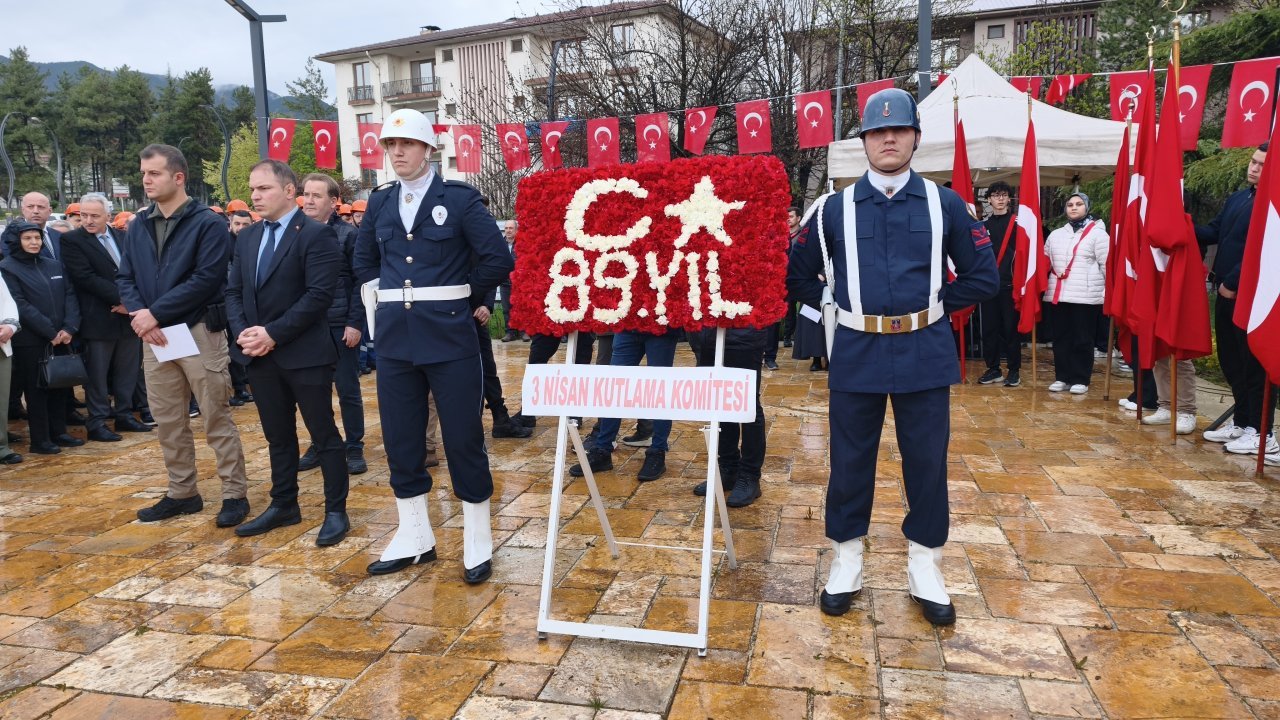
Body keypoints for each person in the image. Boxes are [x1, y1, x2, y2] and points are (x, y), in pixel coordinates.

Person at [787, 87, 998, 626]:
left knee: (926, 462)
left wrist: (934, 308)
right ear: (864, 141)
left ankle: (925, 565)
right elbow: (796, 273)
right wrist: (832, 306)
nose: (888, 138)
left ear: (914, 139)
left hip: (924, 350)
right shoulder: (831, 208)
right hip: (857, 350)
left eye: (897, 131)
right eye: (877, 132)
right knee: (850, 460)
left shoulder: (943, 202)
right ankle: (847, 561)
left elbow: (982, 275)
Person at [353, 108, 512, 582]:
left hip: (450, 337)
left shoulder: (459, 200)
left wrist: (461, 298)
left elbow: (496, 260)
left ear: (427, 150)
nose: (397, 152)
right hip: (397, 343)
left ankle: (477, 536)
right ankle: (415, 535)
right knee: (402, 440)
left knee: (462, 438)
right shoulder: (380, 203)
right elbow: (364, 262)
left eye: (406, 144)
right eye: (390, 145)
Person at [118, 144, 250, 527]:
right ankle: (182, 493)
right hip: (155, 336)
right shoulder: (138, 224)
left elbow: (206, 279)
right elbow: (125, 276)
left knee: (215, 416)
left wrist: (153, 314)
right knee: (168, 420)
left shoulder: (207, 223)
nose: (146, 180)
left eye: (154, 173)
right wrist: (145, 317)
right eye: (144, 173)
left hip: (196, 331)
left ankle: (233, 494)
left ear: (178, 177)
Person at [227, 160, 349, 546]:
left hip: (305, 354)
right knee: (277, 436)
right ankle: (284, 504)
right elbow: (233, 291)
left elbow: (318, 296)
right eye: (253, 188)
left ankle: (335, 510)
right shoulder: (247, 238)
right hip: (260, 356)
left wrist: (273, 334)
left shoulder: (315, 235)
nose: (255, 195)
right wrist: (245, 334)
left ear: (289, 191)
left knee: (323, 434)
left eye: (263, 188)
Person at [1197, 143, 1279, 456]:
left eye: (1261, 164)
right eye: (1253, 161)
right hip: (1227, 293)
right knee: (1233, 363)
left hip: (1251, 294)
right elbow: (1213, 232)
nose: (1253, 168)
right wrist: (1178, 223)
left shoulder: (1272, 204)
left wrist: (1233, 280)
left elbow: (1261, 249)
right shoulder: (1239, 197)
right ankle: (1243, 423)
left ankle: (1262, 432)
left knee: (1254, 363)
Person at [58, 193, 151, 442]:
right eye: (84, 215)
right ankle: (97, 421)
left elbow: (137, 271)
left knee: (128, 370)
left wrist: (131, 305)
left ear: (108, 216)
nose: (88, 220)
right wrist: (124, 301)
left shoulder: (122, 236)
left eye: (94, 216)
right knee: (97, 375)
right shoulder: (71, 241)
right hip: (98, 318)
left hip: (129, 319)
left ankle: (124, 414)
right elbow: (85, 278)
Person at [298, 172, 368, 475]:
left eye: (316, 195)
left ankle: (354, 446)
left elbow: (359, 283)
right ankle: (321, 442)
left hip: (340, 326)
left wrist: (354, 323)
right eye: (306, 194)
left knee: (348, 390)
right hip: (306, 328)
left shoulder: (348, 235)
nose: (309, 200)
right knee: (314, 392)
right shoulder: (296, 233)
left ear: (333, 201)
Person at [0, 220, 83, 455]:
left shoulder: (54, 265)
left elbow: (70, 295)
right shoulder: (8, 267)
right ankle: (40, 439)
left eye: (37, 238)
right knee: (36, 390)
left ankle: (59, 432)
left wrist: (69, 328)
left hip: (62, 336)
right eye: (28, 238)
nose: (34, 242)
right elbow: (20, 305)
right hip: (31, 340)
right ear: (16, 241)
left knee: (59, 385)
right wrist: (50, 332)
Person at [569, 328, 674, 482]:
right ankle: (602, 449)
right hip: (627, 325)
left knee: (659, 387)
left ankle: (657, 451)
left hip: (662, 325)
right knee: (614, 386)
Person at [688, 326, 766, 507]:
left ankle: (750, 476)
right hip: (706, 335)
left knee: (748, 405)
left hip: (744, 334)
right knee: (720, 402)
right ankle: (728, 468)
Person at [1042, 192, 1108, 395]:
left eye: (1079, 204)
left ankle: (1080, 378)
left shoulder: (1098, 234)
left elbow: (1106, 265)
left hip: (1085, 296)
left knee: (1082, 338)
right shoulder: (1055, 235)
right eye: (1070, 204)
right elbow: (1046, 261)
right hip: (1059, 295)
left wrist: (1107, 293)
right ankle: (1062, 377)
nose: (1074, 207)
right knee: (1061, 338)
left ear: (1087, 207)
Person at [977, 181, 1021, 387]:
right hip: (989, 286)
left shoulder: (1019, 224)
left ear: (1009, 198)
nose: (1000, 199)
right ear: (989, 200)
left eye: (1004, 195)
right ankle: (993, 368)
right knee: (989, 330)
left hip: (1010, 285)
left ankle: (1014, 370)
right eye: (996, 195)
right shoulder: (983, 226)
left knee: (1011, 329)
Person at [225, 209, 256, 407]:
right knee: (234, 347)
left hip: (252, 303)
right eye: (237, 224)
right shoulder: (224, 244)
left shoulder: (255, 241)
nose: (241, 228)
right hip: (231, 303)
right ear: (231, 224)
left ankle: (246, 385)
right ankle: (238, 388)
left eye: (245, 224)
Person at [0, 271, 20, 463]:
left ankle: (1, 446)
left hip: (1, 344)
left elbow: (7, 302)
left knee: (1, 400)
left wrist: (10, 326)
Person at [499, 221, 517, 342]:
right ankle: (510, 332)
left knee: (521, 308)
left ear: (516, 230)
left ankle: (524, 332)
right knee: (506, 309)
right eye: (506, 228)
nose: (508, 230)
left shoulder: (521, 243)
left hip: (519, 283)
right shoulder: (500, 244)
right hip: (504, 281)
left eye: (511, 228)